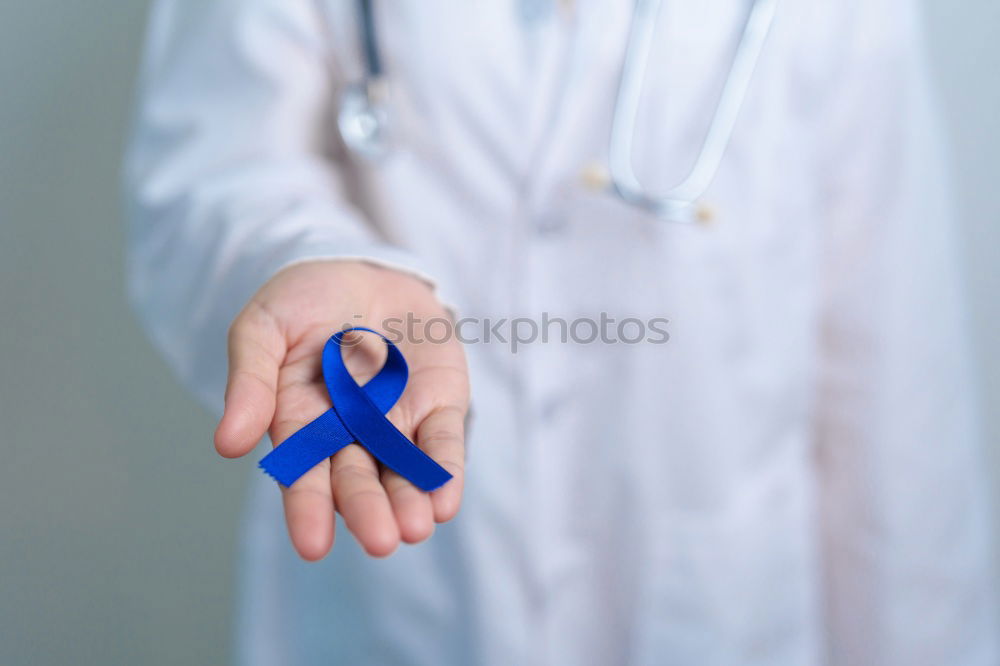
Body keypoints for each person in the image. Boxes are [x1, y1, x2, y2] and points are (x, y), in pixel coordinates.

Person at [125, 0, 998, 664]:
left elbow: (896, 395)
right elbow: (212, 167)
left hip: (720, 602)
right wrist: (303, 257)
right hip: (395, 585)